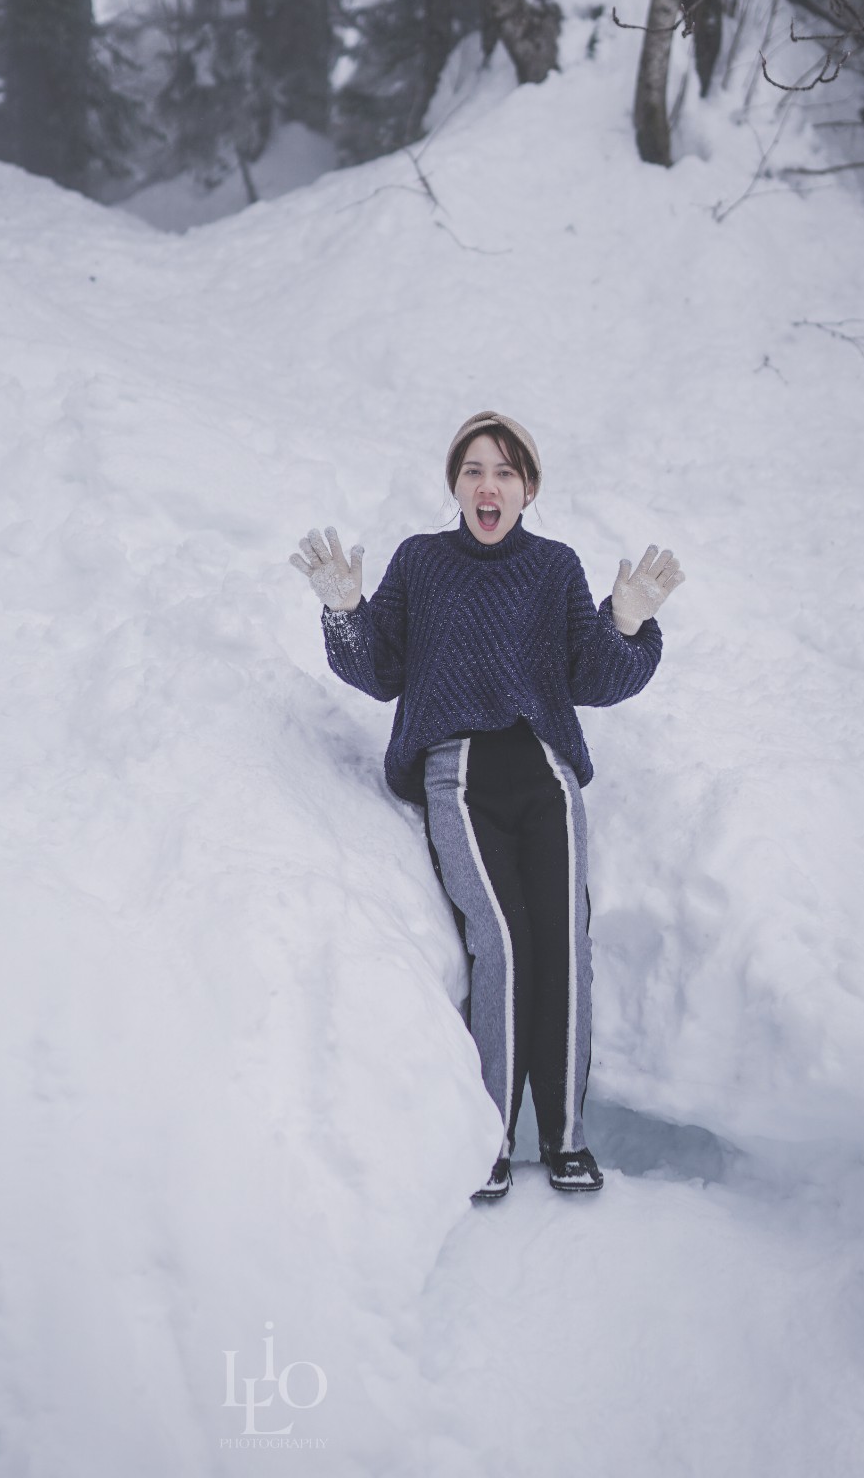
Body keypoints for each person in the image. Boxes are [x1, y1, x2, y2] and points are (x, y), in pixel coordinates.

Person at [289, 411, 683, 1203]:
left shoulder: (553, 568)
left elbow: (594, 677)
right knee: (503, 940)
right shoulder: (423, 563)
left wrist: (627, 621)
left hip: (543, 771)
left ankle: (565, 1138)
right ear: (456, 485)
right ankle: (492, 1136)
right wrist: (345, 612)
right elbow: (381, 667)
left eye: (504, 471)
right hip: (458, 773)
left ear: (527, 488)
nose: (488, 484)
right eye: (473, 470)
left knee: (563, 944)